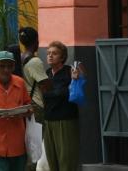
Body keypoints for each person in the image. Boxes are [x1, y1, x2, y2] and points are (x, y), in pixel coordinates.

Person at [40, 41, 82, 171]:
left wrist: (70, 85)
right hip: (48, 120)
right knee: (52, 161)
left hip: (65, 120)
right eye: (48, 53)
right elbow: (45, 95)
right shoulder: (46, 74)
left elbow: (65, 93)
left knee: (66, 160)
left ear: (62, 57)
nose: (50, 56)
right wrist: (58, 92)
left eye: (54, 53)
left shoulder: (69, 72)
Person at [18, 27, 45, 170]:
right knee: (38, 145)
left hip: (24, 104)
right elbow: (46, 86)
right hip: (37, 105)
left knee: (28, 143)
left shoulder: (18, 59)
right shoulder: (35, 62)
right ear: (37, 42)